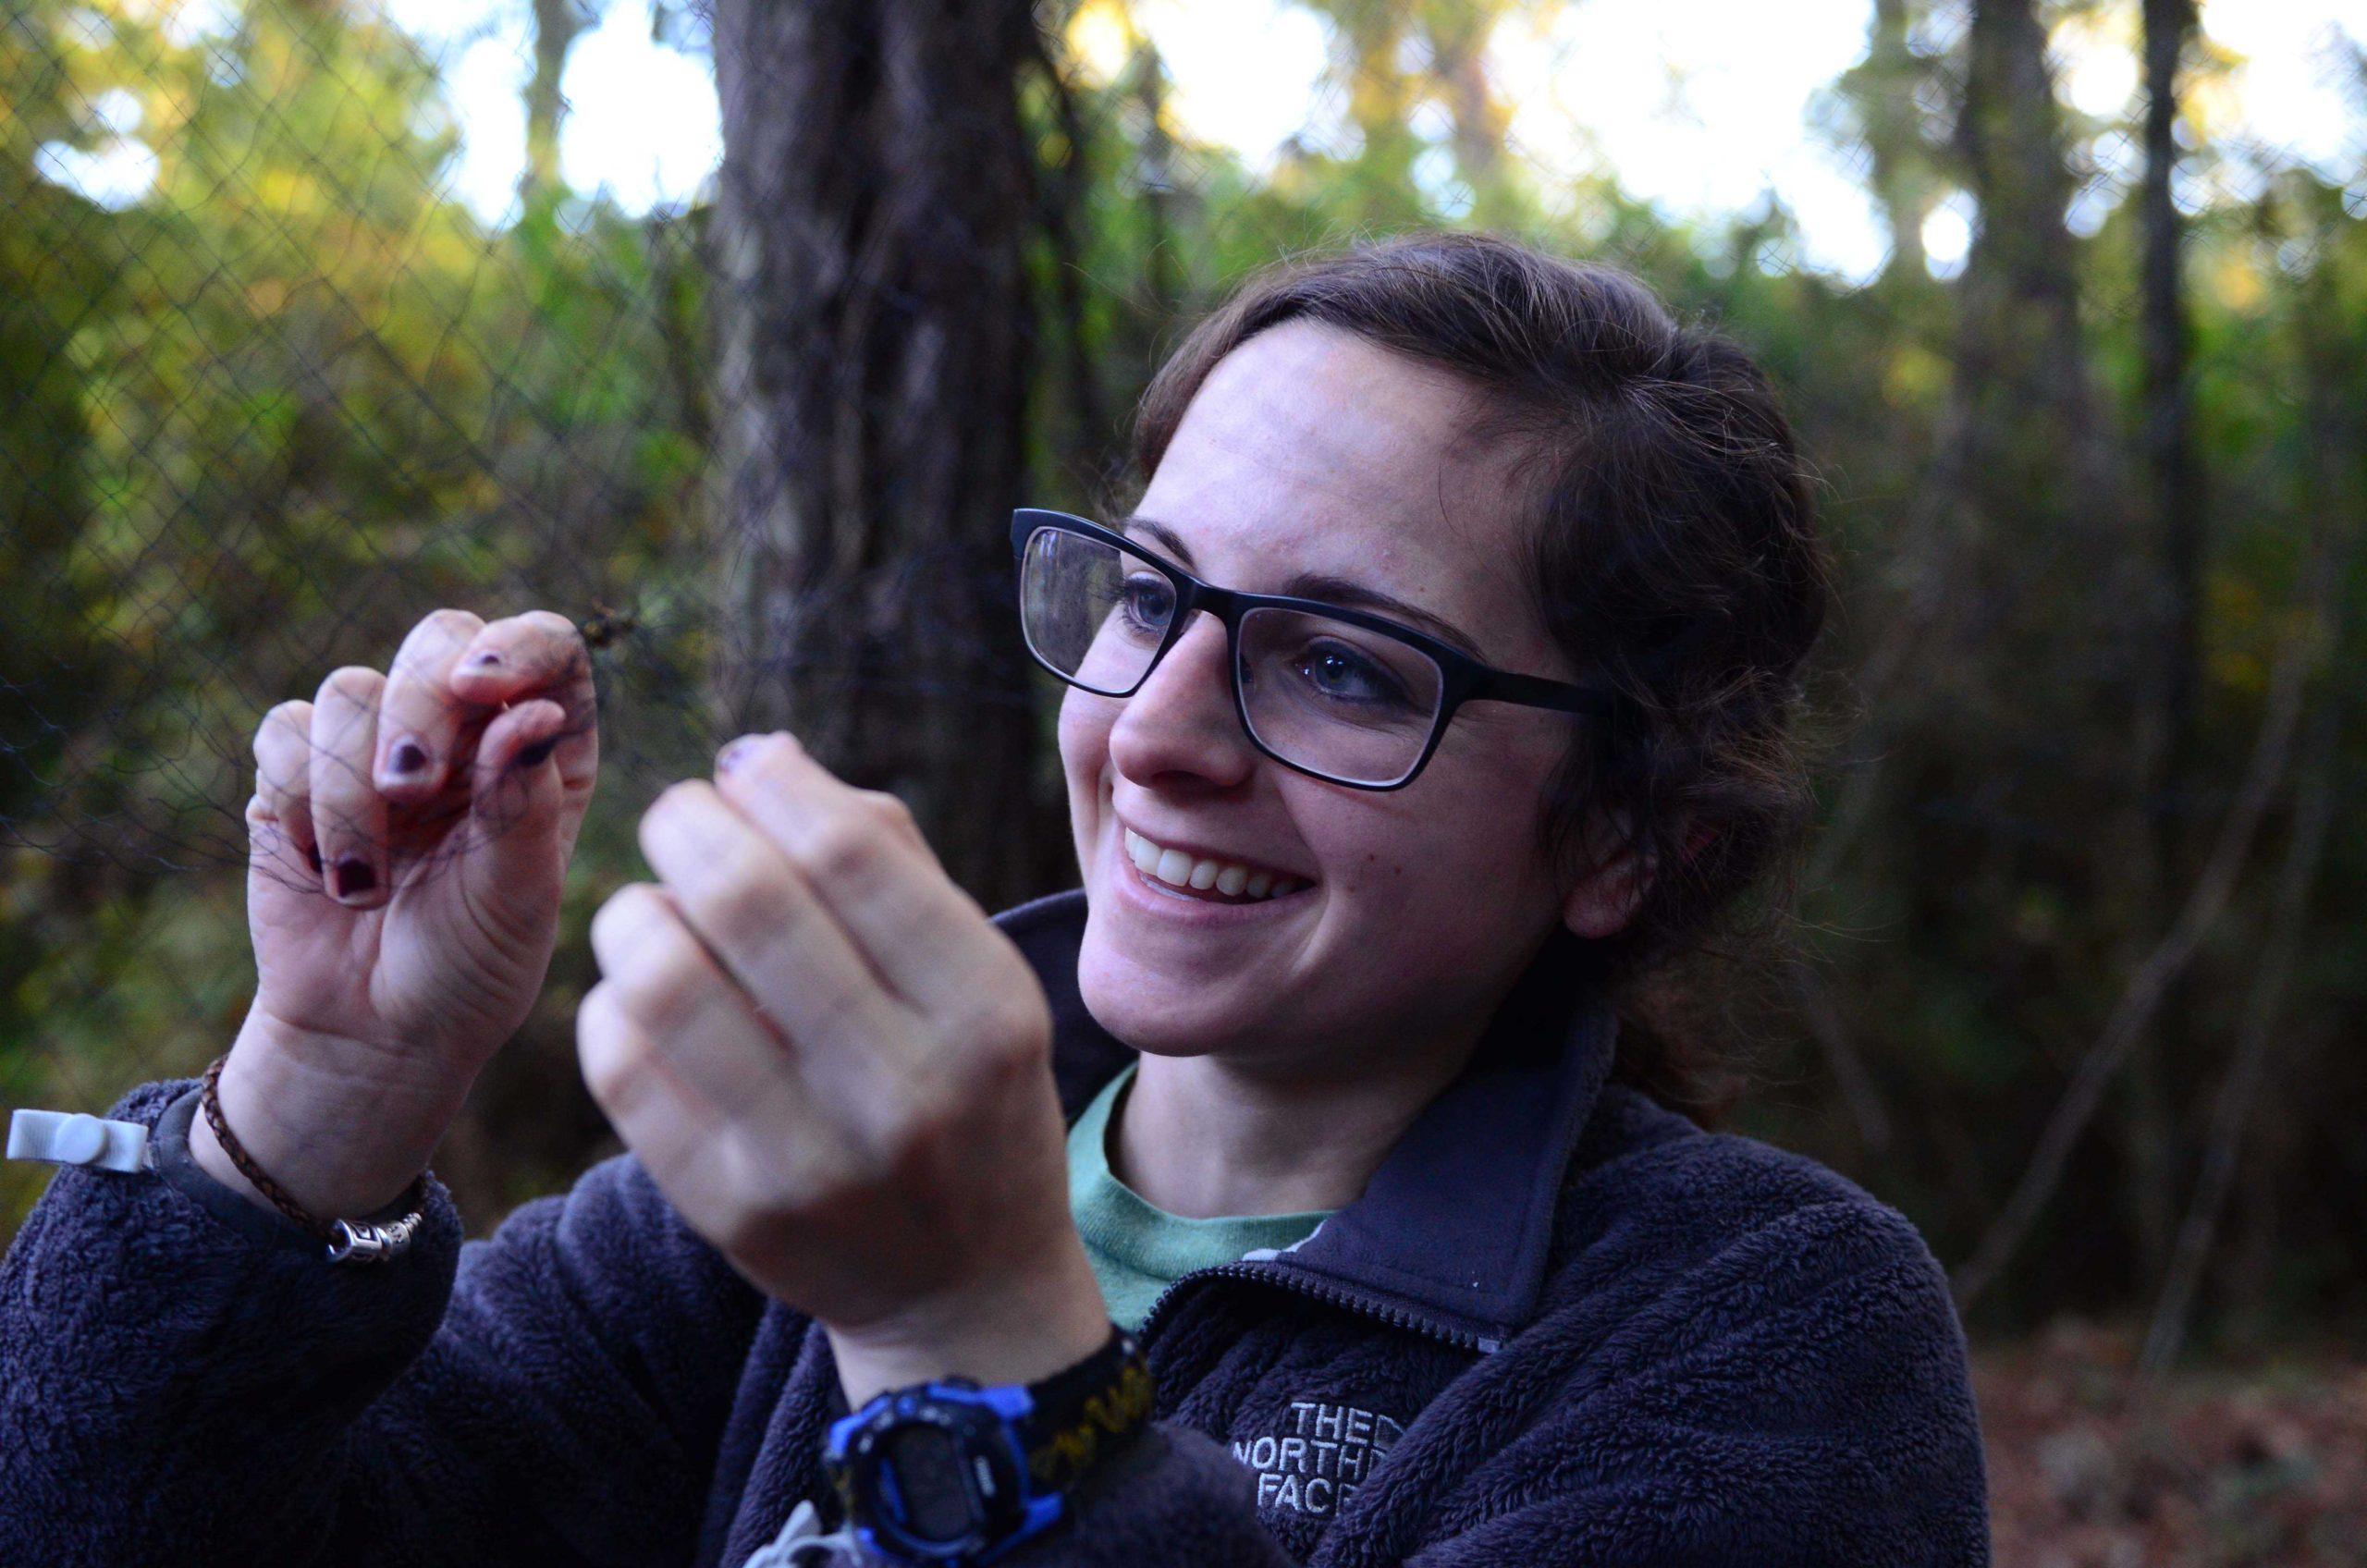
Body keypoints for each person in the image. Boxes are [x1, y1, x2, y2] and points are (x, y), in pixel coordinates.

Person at [1, 232, 1989, 1566]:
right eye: (1150, 595)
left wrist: (972, 1336)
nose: (1157, 728)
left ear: (1621, 836)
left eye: (1345, 665)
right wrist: (317, 1095)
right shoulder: (762, 1223)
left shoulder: (1756, 1333)